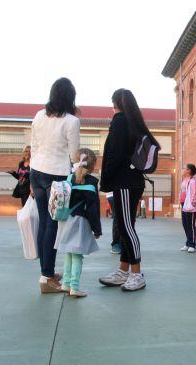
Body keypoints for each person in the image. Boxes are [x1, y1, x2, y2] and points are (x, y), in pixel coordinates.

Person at [99, 89, 159, 292]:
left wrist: (105, 180)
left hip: (123, 182)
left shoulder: (119, 121)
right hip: (133, 181)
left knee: (125, 227)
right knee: (126, 226)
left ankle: (136, 273)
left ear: (115, 103)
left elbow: (113, 155)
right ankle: (123, 270)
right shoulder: (133, 122)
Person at [30, 77, 80, 293]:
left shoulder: (39, 115)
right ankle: (47, 277)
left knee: (44, 223)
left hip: (36, 172)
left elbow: (34, 145)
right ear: (70, 96)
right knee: (52, 225)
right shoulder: (71, 121)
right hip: (56, 175)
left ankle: (46, 272)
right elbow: (74, 155)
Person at [55, 148, 102, 298]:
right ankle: (74, 287)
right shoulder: (91, 183)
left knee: (69, 253)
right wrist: (97, 229)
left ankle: (65, 284)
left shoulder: (69, 178)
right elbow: (93, 209)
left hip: (65, 221)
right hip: (79, 222)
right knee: (77, 256)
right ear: (93, 165)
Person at [180, 164, 196, 253]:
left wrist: (192, 204)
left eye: (184, 168)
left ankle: (192, 244)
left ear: (189, 171)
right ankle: (188, 243)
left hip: (191, 207)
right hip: (184, 205)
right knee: (185, 224)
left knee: (191, 225)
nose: (182, 170)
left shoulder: (193, 181)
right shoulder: (184, 180)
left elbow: (195, 193)